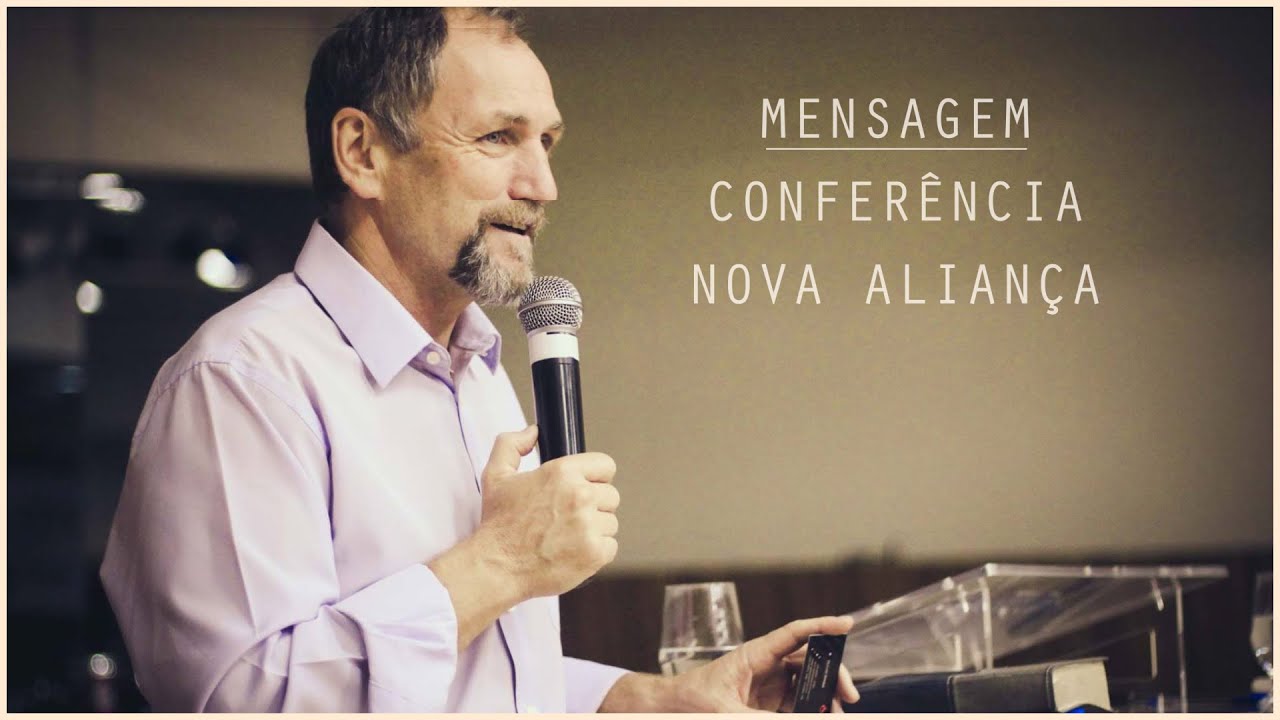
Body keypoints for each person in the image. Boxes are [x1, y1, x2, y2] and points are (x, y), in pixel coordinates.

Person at [100, 7, 859, 712]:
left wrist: (661, 700)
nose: (543, 186)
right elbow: (244, 700)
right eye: (499, 137)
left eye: (546, 143)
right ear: (363, 153)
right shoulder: (242, 380)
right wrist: (499, 563)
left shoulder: (478, 374)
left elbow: (479, 680)